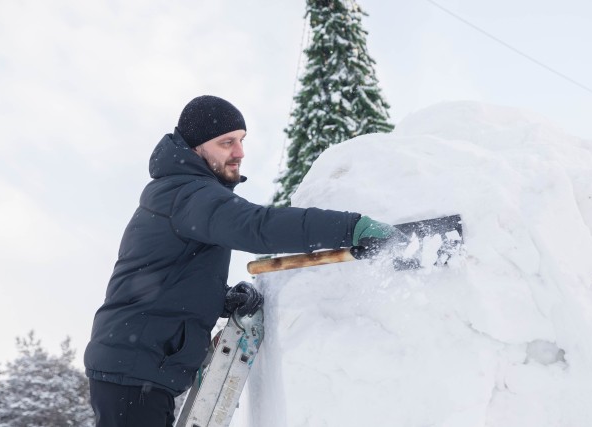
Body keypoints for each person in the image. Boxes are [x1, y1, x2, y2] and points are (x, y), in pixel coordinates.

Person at [84, 95, 403, 426]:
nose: (239, 152)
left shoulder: (181, 193)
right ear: (196, 148)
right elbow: (257, 227)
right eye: (227, 143)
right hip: (134, 372)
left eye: (241, 141)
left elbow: (166, 277)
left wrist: (220, 298)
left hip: (133, 367)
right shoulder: (189, 195)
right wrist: (353, 228)